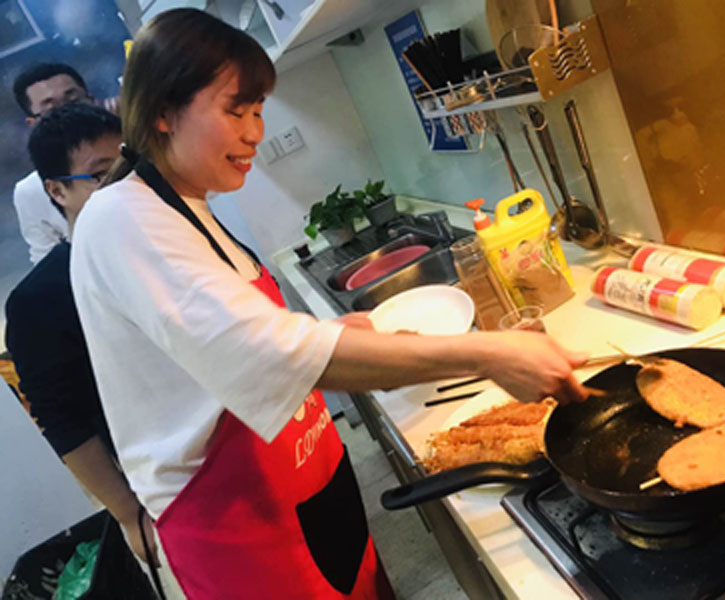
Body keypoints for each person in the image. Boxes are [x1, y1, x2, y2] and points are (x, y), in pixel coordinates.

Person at [70, 8, 588, 599]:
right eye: (236, 110)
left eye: (259, 111)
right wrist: (490, 353)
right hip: (240, 528)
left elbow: (230, 338)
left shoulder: (188, 206)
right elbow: (265, 354)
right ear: (164, 111)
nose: (255, 132)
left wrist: (343, 332)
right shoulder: (122, 218)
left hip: (308, 491)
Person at [3, 103, 177, 592]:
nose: (126, 185)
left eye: (130, 166)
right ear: (57, 191)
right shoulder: (41, 299)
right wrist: (127, 515)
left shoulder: (173, 246)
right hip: (168, 487)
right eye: (102, 175)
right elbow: (63, 423)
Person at [11, 63, 118, 264]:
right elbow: (48, 260)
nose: (69, 114)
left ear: (92, 101)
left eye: (74, 101)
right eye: (51, 110)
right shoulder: (30, 191)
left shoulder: (132, 148)